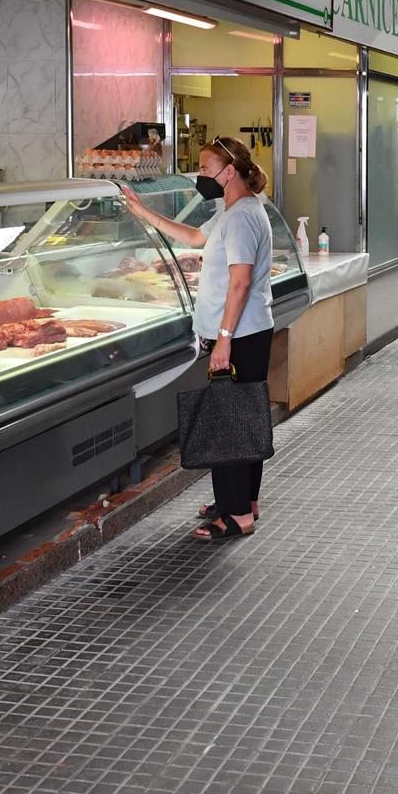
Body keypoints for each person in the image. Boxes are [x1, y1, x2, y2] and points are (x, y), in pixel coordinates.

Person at [120, 135, 275, 542]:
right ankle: (245, 501)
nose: (199, 176)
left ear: (228, 172)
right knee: (244, 419)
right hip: (246, 331)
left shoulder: (240, 217)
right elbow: (193, 238)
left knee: (228, 423)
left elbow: (239, 283)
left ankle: (236, 515)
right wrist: (142, 210)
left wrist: (223, 340)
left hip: (239, 335)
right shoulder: (235, 209)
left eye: (205, 169)